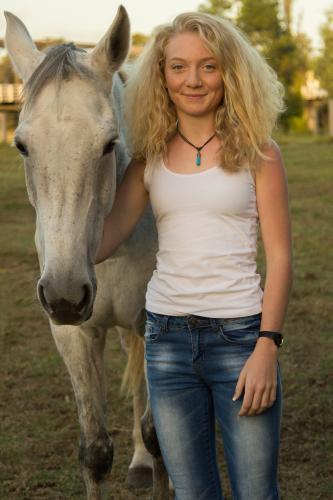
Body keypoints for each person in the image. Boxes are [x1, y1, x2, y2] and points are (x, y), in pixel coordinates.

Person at [96, 11, 292, 500]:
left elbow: (282, 257)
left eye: (208, 66)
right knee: (192, 494)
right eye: (178, 67)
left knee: (255, 492)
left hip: (241, 340)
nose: (193, 80)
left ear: (230, 72)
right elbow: (102, 240)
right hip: (167, 343)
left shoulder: (259, 154)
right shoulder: (149, 157)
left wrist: (267, 347)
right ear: (161, 75)